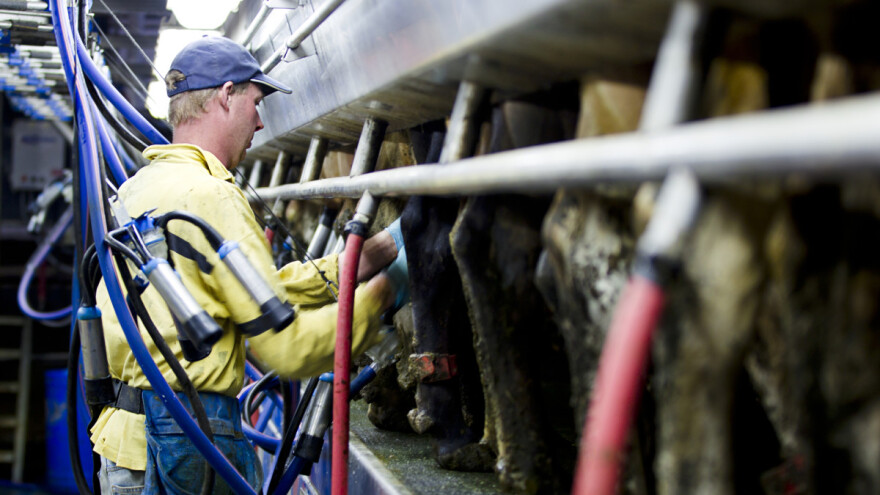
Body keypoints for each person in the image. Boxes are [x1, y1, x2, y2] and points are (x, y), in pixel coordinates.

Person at [91, 36, 406, 494]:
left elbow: (226, 290)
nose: (259, 122)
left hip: (124, 449)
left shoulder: (138, 189)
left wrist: (355, 264)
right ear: (225, 95)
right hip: (187, 446)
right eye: (256, 103)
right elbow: (288, 349)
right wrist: (382, 293)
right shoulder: (213, 196)